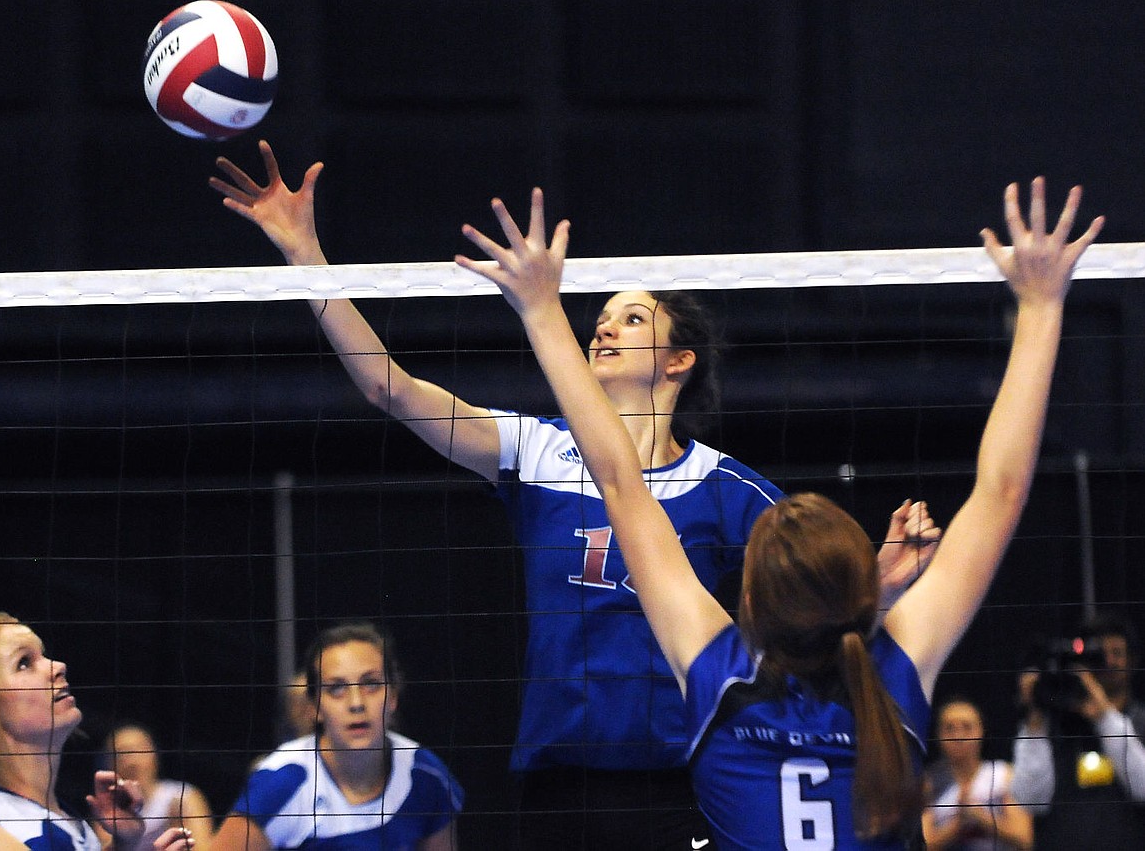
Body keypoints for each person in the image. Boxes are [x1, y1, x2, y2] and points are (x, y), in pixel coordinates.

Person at [209, 142, 937, 848]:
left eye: (632, 317)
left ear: (678, 360)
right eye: (602, 316)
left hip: (682, 780)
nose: (604, 326)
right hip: (560, 782)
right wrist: (304, 253)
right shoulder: (538, 449)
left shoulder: (731, 489)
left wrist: (885, 580)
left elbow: (813, 600)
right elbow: (388, 387)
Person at [454, 176, 1102, 848]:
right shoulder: (892, 675)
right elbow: (1002, 489)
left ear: (753, 597)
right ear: (859, 591)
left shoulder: (717, 673)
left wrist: (539, 310)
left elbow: (618, 480)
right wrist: (1043, 303)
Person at [210, 622, 461, 851]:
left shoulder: (428, 777)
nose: (356, 703)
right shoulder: (281, 782)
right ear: (314, 707)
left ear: (393, 696)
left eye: (371, 684)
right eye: (336, 688)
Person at [0, 612, 197, 851]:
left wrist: (123, 845)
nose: (58, 666)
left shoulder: (70, 822)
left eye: (43, 655)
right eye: (24, 663)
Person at [1009, 612, 1145, 848]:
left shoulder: (1140, 721)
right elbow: (1030, 800)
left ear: (1132, 661)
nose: (1109, 662)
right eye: (1100, 655)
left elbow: (1143, 788)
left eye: (1117, 653)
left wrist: (1104, 716)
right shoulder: (1055, 723)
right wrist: (1035, 718)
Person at [922, 696, 1033, 850]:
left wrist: (980, 817)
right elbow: (925, 844)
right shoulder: (929, 782)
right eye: (949, 728)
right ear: (939, 735)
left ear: (981, 731)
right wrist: (958, 825)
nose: (958, 736)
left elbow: (1024, 839)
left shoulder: (1003, 774)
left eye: (967, 727)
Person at [99, 725, 215, 851]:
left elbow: (203, 847)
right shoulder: (107, 812)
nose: (131, 762)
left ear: (154, 755)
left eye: (137, 750)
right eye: (121, 754)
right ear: (109, 764)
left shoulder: (183, 797)